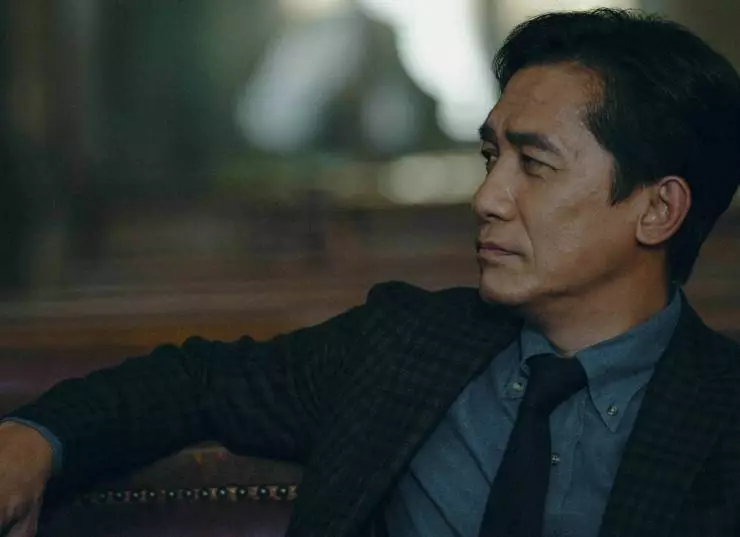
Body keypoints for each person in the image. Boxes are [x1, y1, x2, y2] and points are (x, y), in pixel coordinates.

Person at [2, 7, 740, 537]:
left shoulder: (721, 411)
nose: (487, 197)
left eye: (535, 165)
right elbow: (194, 381)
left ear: (658, 209)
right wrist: (36, 438)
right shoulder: (404, 345)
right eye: (492, 157)